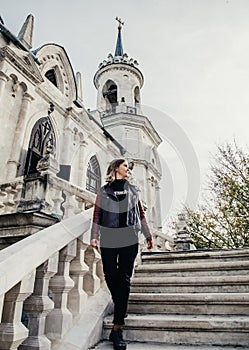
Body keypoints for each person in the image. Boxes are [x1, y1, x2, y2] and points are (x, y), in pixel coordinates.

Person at [90, 158, 153, 350]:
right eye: (125, 165)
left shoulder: (133, 190)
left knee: (124, 278)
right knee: (110, 275)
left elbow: (141, 214)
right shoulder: (104, 190)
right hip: (109, 236)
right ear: (116, 168)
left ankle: (117, 329)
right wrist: (94, 235)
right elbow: (97, 214)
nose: (128, 169)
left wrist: (148, 234)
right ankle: (120, 303)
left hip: (129, 237)